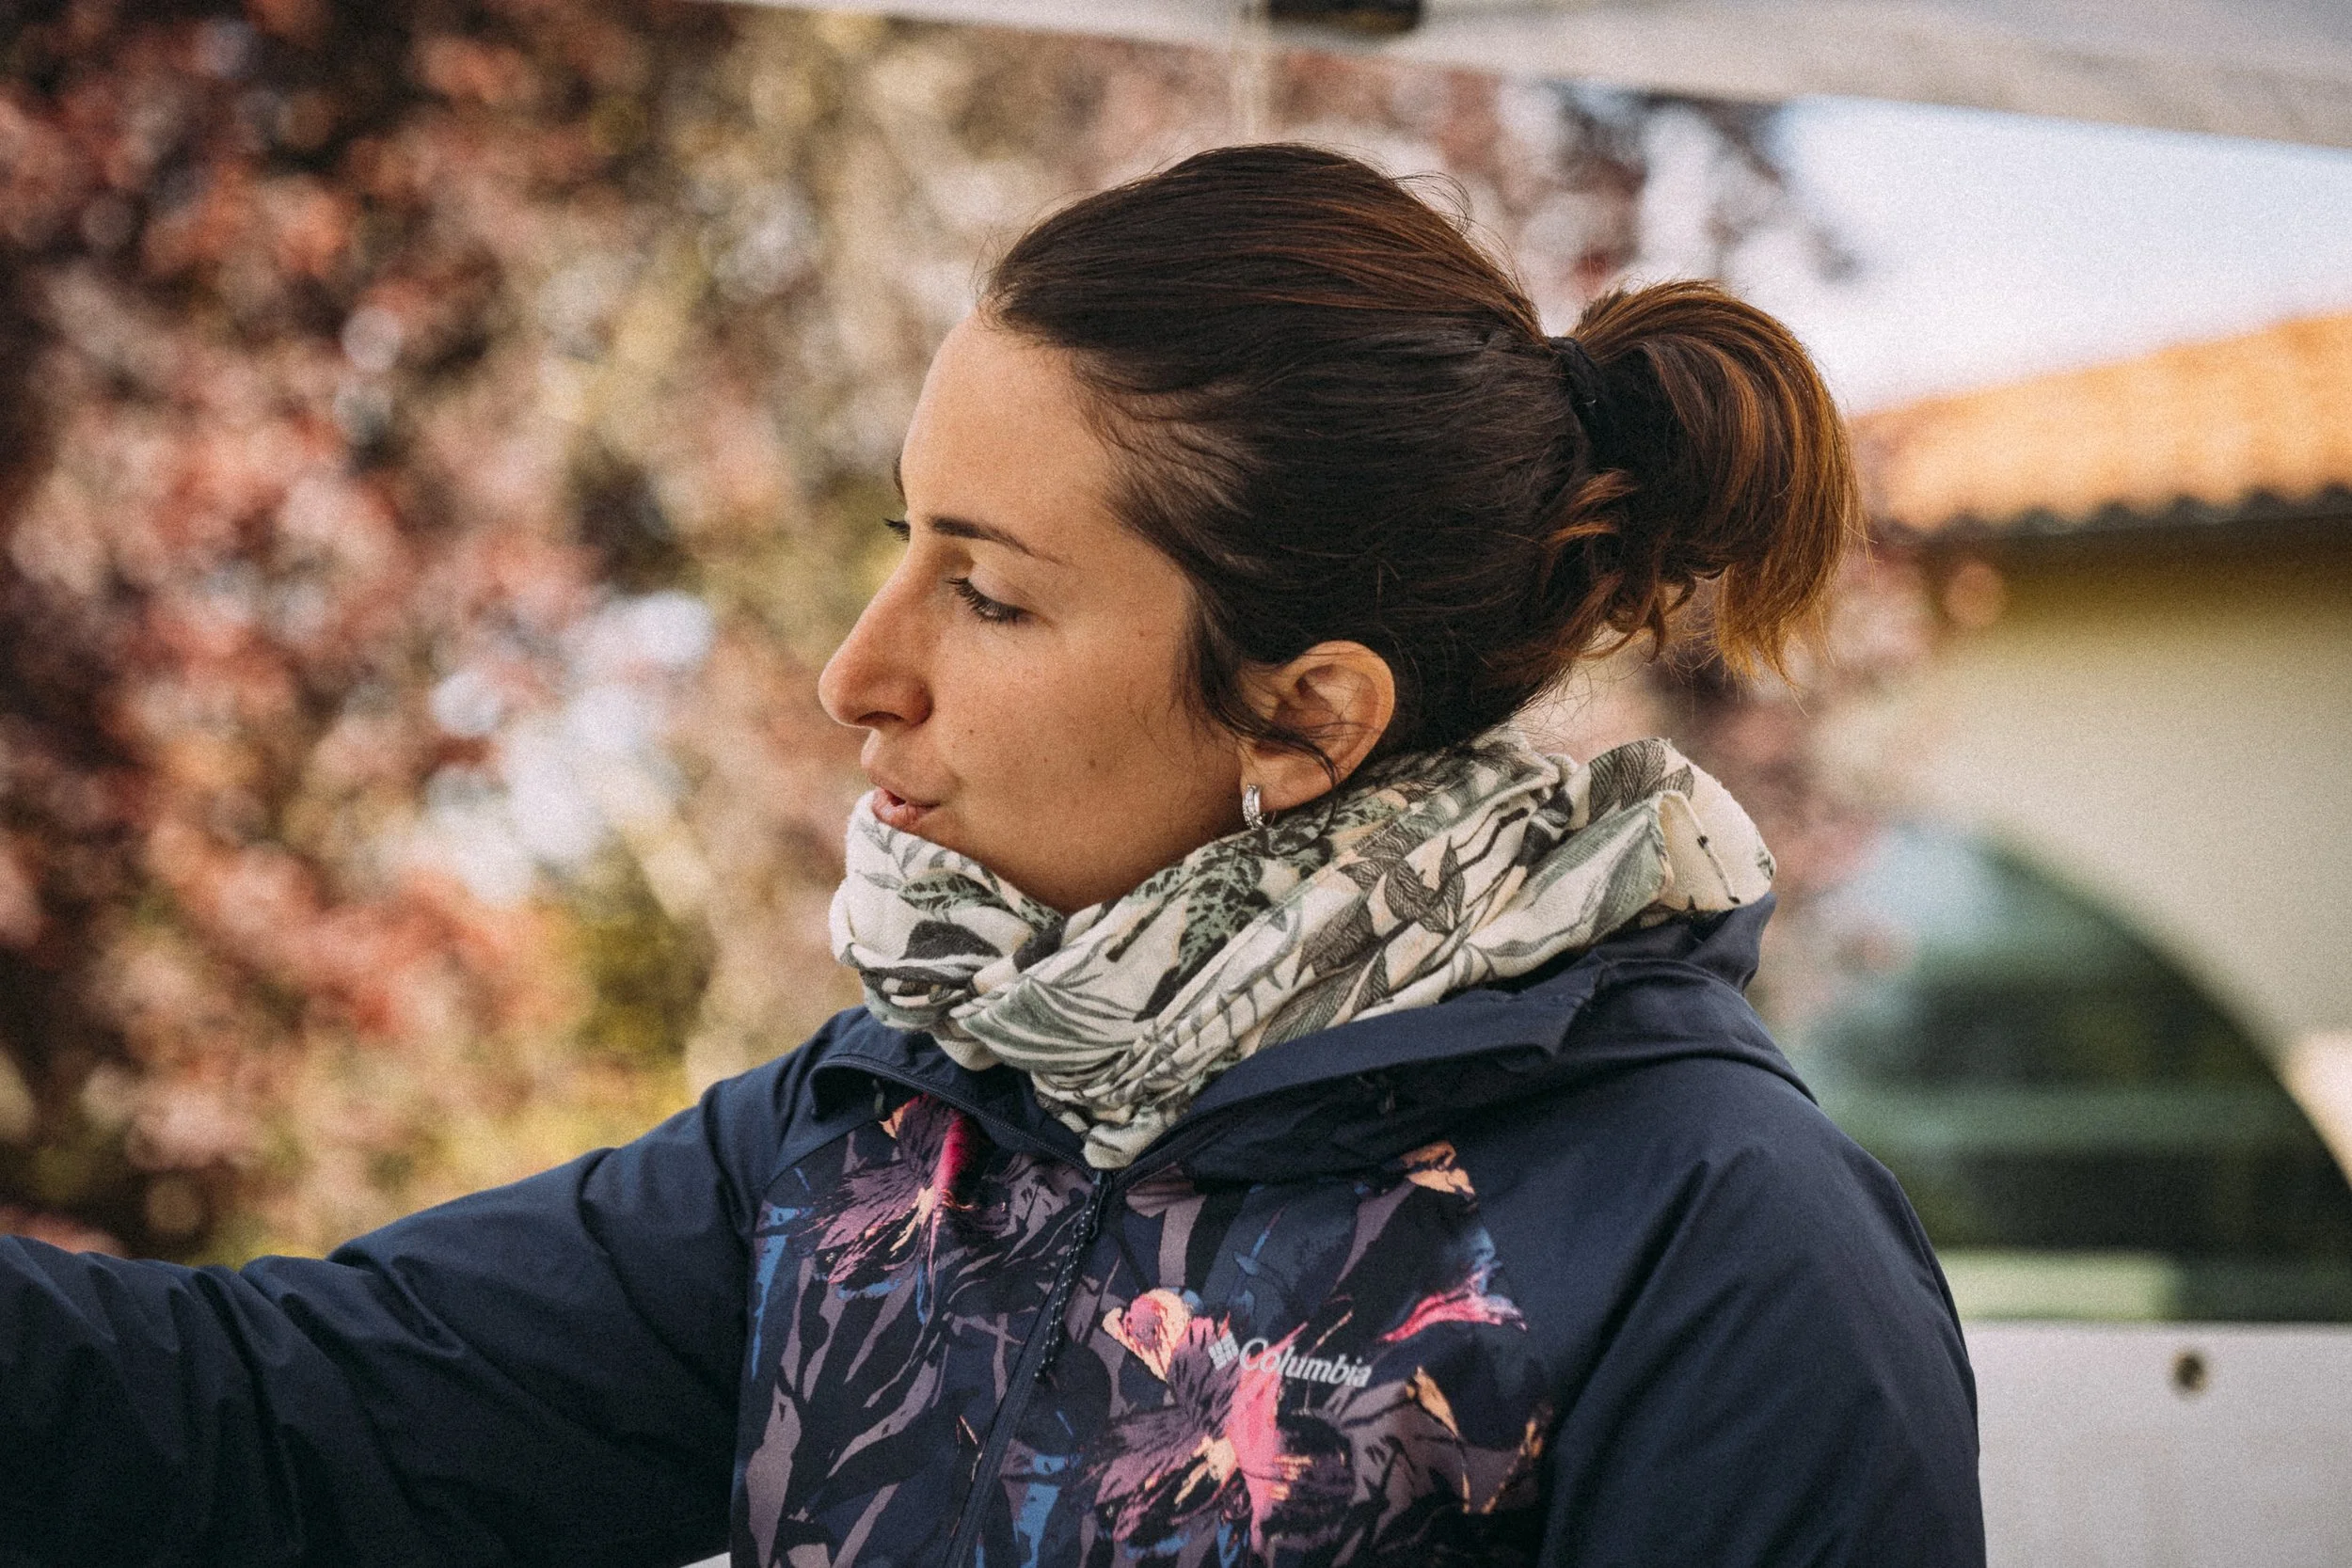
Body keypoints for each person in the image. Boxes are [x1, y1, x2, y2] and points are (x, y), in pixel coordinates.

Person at [0, 144, 1981, 1567]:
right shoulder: (885, 1132)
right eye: (906, 545)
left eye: (992, 595)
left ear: (1305, 713)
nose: (854, 674)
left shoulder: (1714, 1242)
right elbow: (276, 1419)